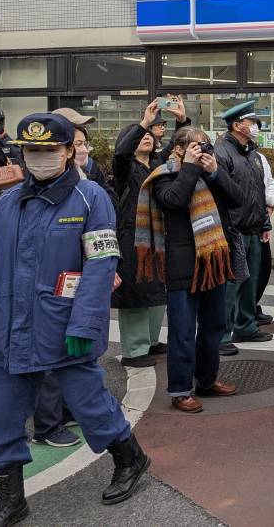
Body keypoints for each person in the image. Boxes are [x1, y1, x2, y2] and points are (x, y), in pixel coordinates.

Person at [0, 113, 149, 524]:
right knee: (3, 416)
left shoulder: (91, 198)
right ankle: (11, 498)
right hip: (13, 331)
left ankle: (131, 459)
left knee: (90, 406)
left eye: (48, 150)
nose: (39, 158)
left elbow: (100, 266)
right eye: (31, 151)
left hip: (65, 328)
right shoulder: (10, 203)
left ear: (69, 151)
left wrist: (85, 325)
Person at [140, 126, 242, 413]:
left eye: (206, 146)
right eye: (197, 147)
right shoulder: (163, 175)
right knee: (182, 331)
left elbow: (237, 199)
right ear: (179, 149)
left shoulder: (211, 173)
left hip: (213, 262)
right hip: (181, 264)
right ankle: (181, 389)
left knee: (213, 327)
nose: (203, 151)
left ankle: (207, 381)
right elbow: (174, 200)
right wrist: (189, 169)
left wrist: (214, 172)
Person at [111, 102, 168, 369]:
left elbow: (178, 152)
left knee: (157, 290)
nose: (146, 137)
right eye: (140, 135)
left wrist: (182, 120)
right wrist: (143, 123)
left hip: (158, 237)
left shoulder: (158, 165)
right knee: (135, 293)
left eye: (149, 135)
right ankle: (134, 350)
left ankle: (151, 340)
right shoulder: (126, 169)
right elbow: (121, 154)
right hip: (132, 238)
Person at [215, 100, 272, 352]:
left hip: (253, 227)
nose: (256, 127)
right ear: (237, 125)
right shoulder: (222, 152)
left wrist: (265, 223)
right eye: (252, 123)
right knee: (229, 286)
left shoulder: (252, 154)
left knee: (250, 283)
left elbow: (258, 192)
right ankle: (221, 335)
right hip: (233, 229)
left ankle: (245, 326)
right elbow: (220, 193)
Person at [252, 122, 274, 328]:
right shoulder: (228, 153)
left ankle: (252, 306)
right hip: (246, 222)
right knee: (246, 272)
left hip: (261, 218)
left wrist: (270, 204)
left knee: (263, 267)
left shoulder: (260, 157)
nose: (255, 131)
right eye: (251, 125)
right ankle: (242, 312)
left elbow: (269, 182)